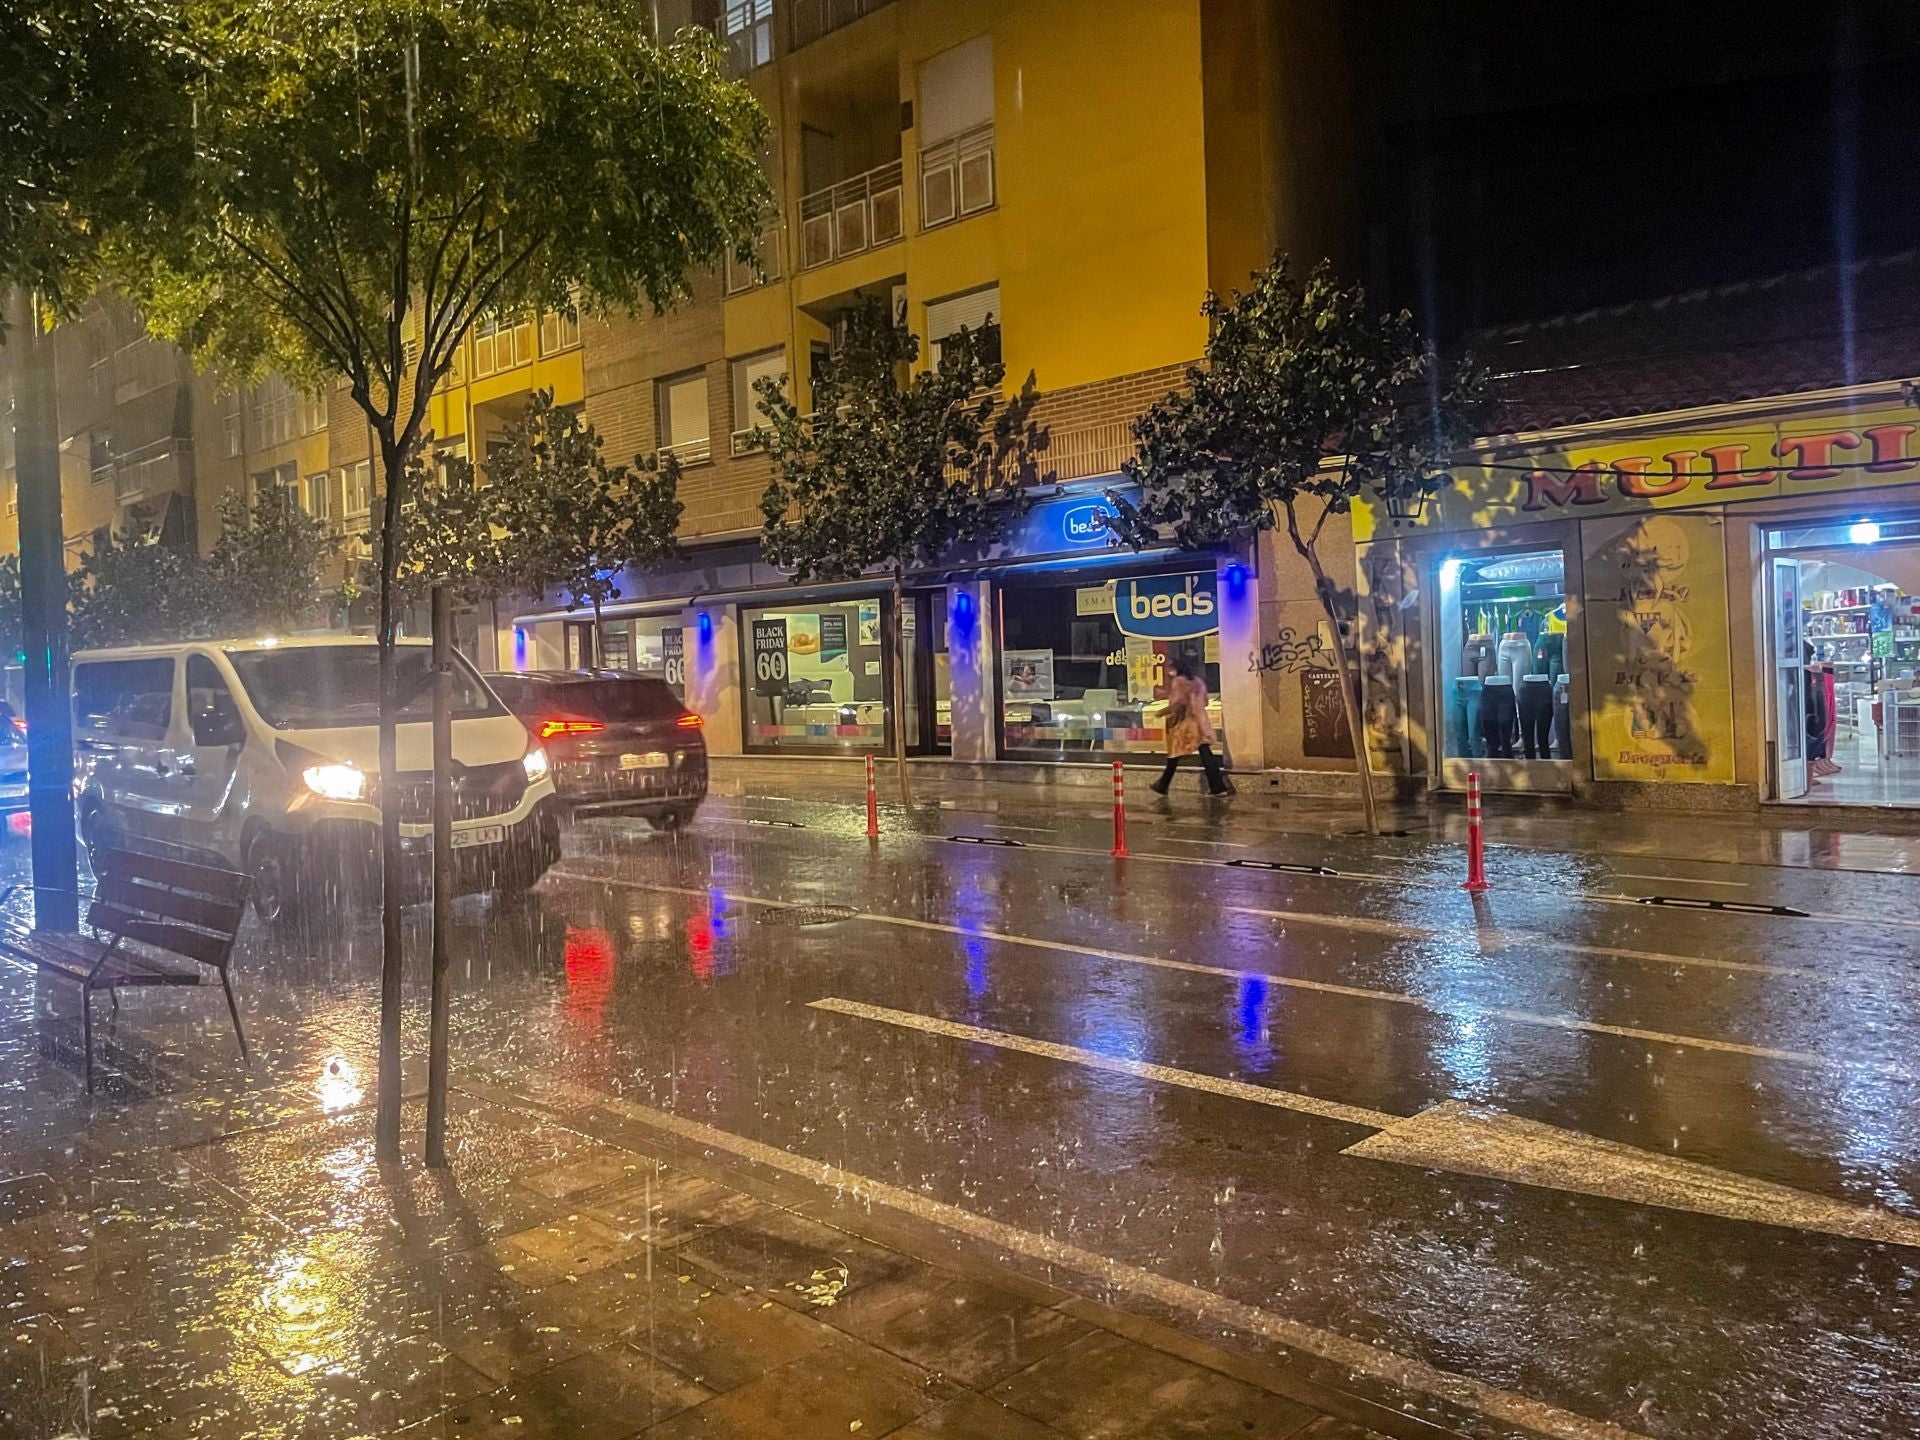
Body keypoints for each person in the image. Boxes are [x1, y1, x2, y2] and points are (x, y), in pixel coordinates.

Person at [1150, 654, 1231, 796]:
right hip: (1200, 721)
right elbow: (1205, 701)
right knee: (1204, 753)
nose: (1168, 671)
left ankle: (1163, 784)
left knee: (1174, 753)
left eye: (1170, 668)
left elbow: (1177, 703)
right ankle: (1218, 786)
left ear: (1176, 668)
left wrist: (1161, 712)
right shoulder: (1198, 681)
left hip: (1185, 723)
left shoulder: (1178, 681)